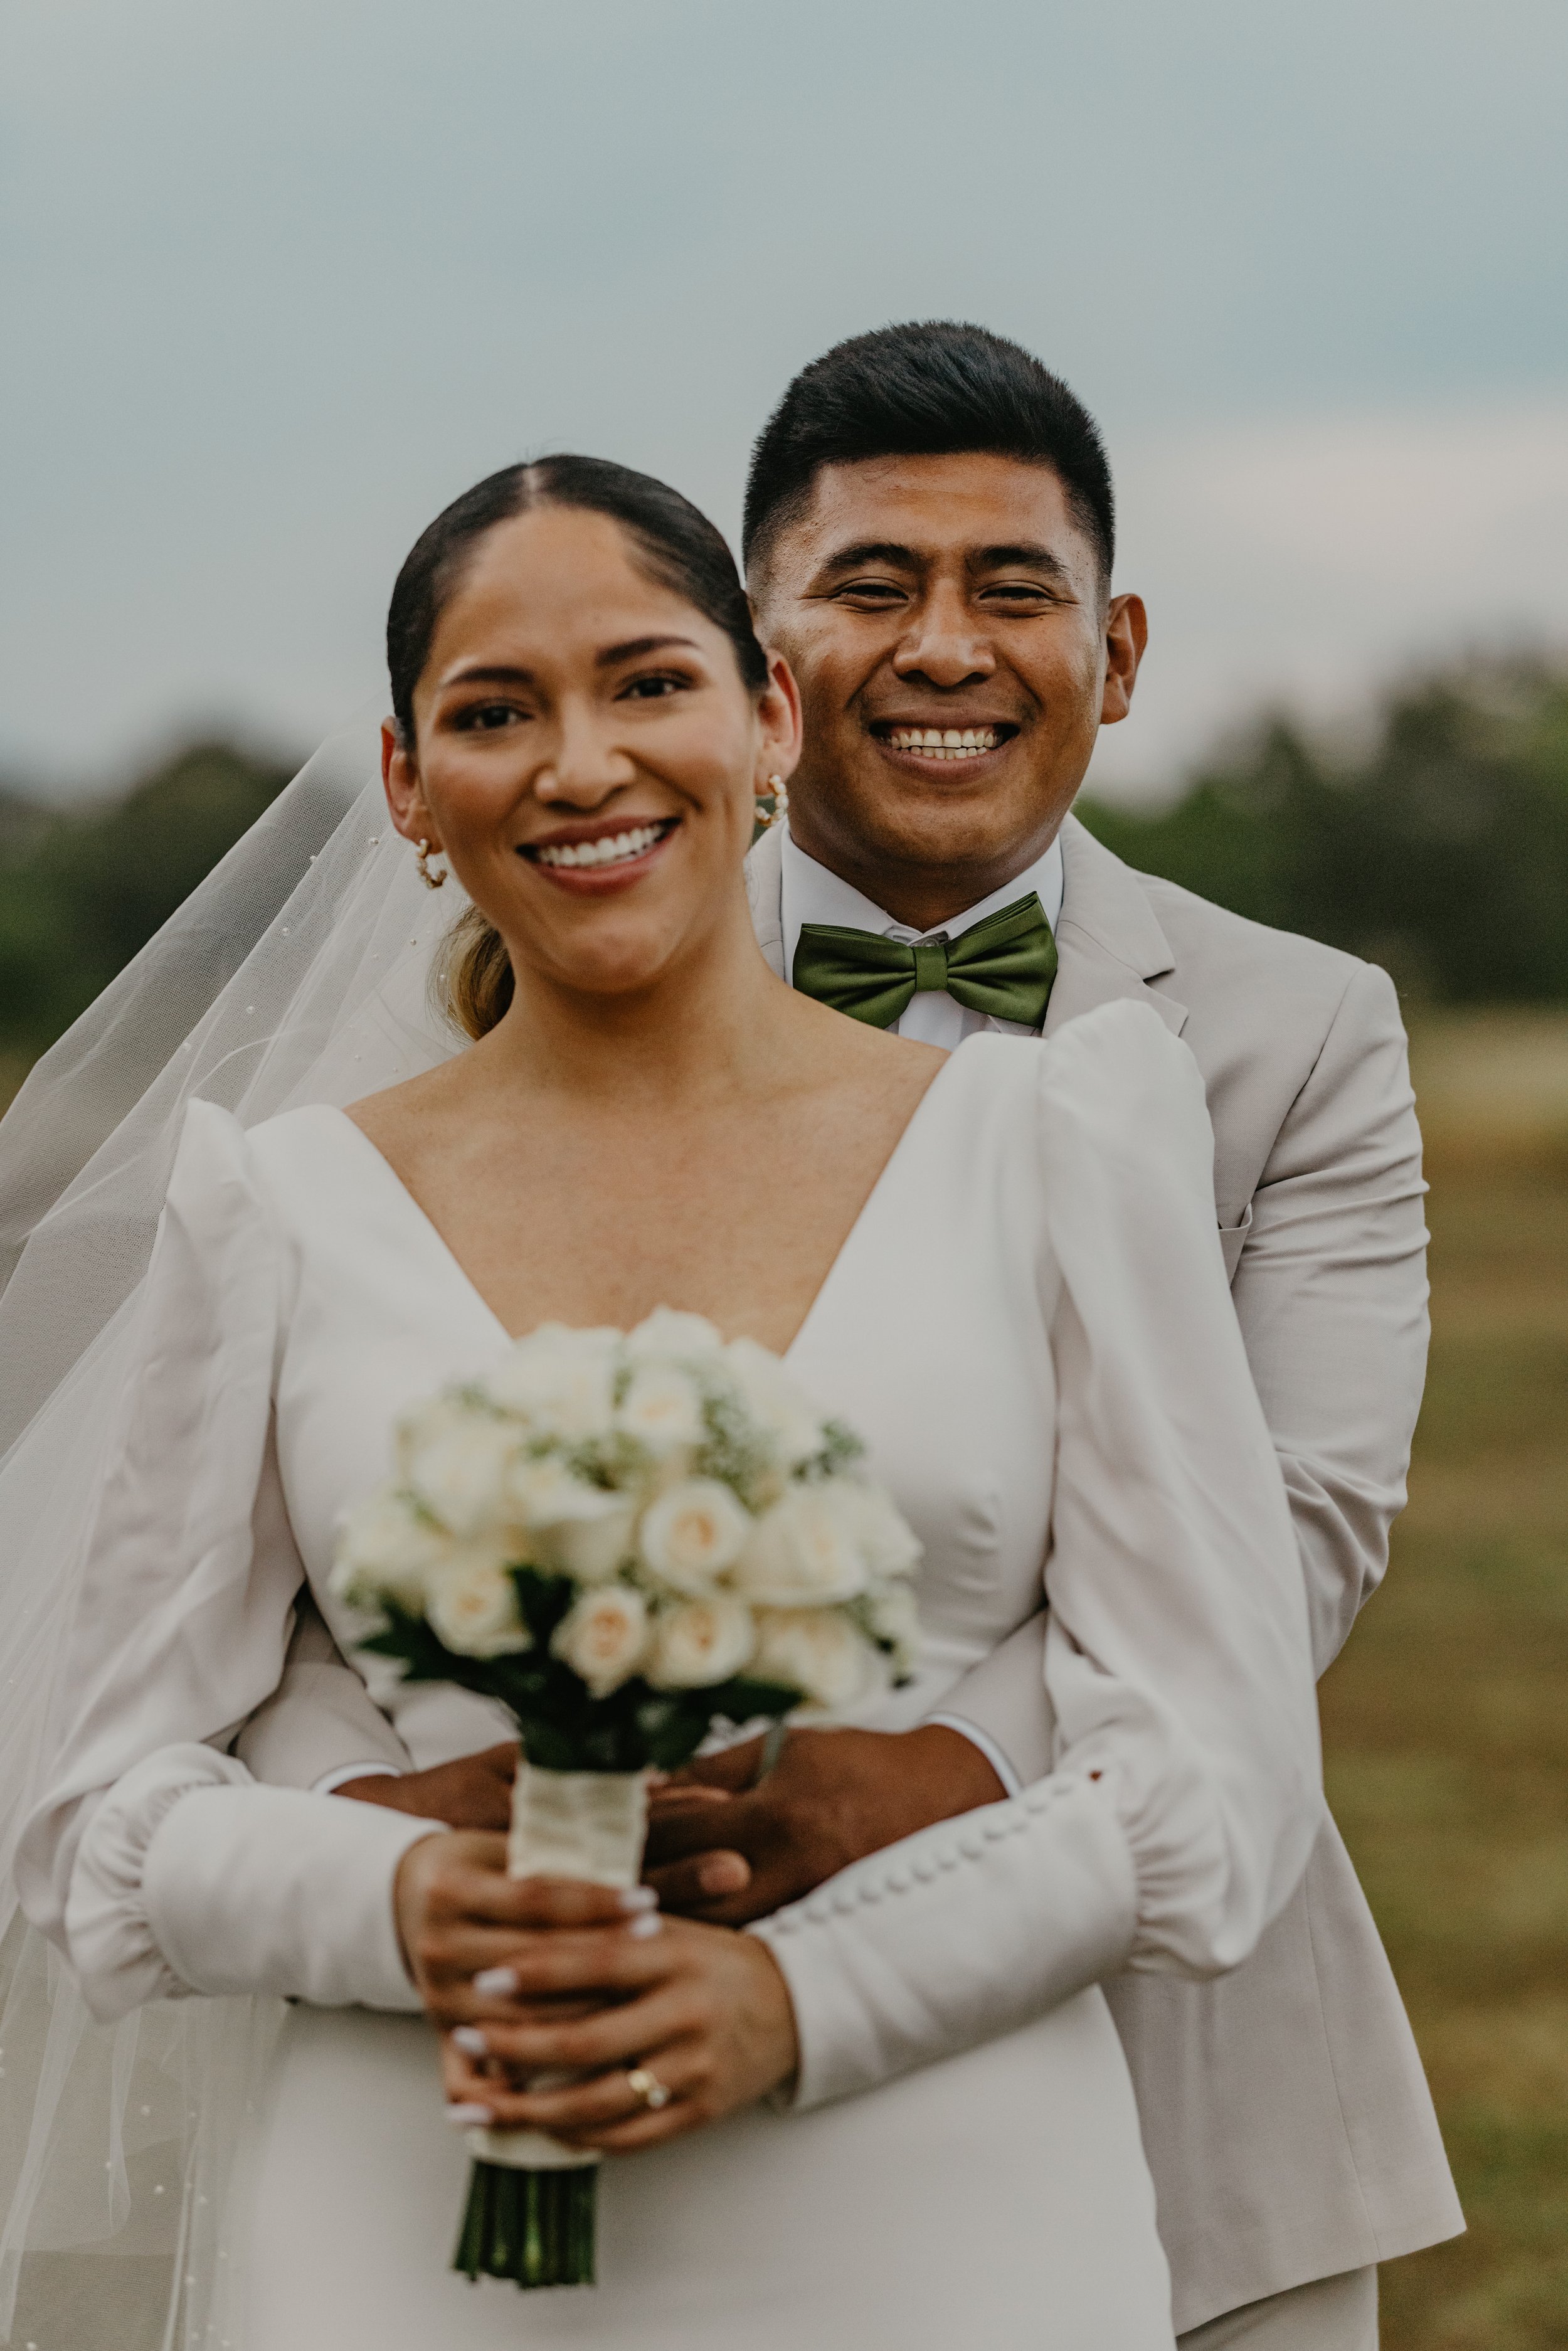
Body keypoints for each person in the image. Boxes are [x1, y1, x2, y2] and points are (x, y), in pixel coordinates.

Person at [11, 455, 1320, 2350]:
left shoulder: (1053, 1143)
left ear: (766, 715)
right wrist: (398, 1892)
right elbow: (94, 1819)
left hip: (940, 2194)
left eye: (646, 681)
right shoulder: (275, 1204)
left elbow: (1215, 1769)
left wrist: (806, 2003)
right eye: (491, 710)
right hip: (417, 2212)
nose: (578, 763)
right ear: (406, 784)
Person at [244, 326, 1465, 2348]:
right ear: (769, 664)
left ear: (1120, 645)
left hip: (1184, 2023)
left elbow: (1299, 1535)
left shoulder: (1294, 1030)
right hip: (563, 2008)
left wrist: (924, 1771)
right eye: (873, 585)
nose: (947, 650)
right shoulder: (516, 965)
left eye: (1014, 590)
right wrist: (440, 1825)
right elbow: (323, 1522)